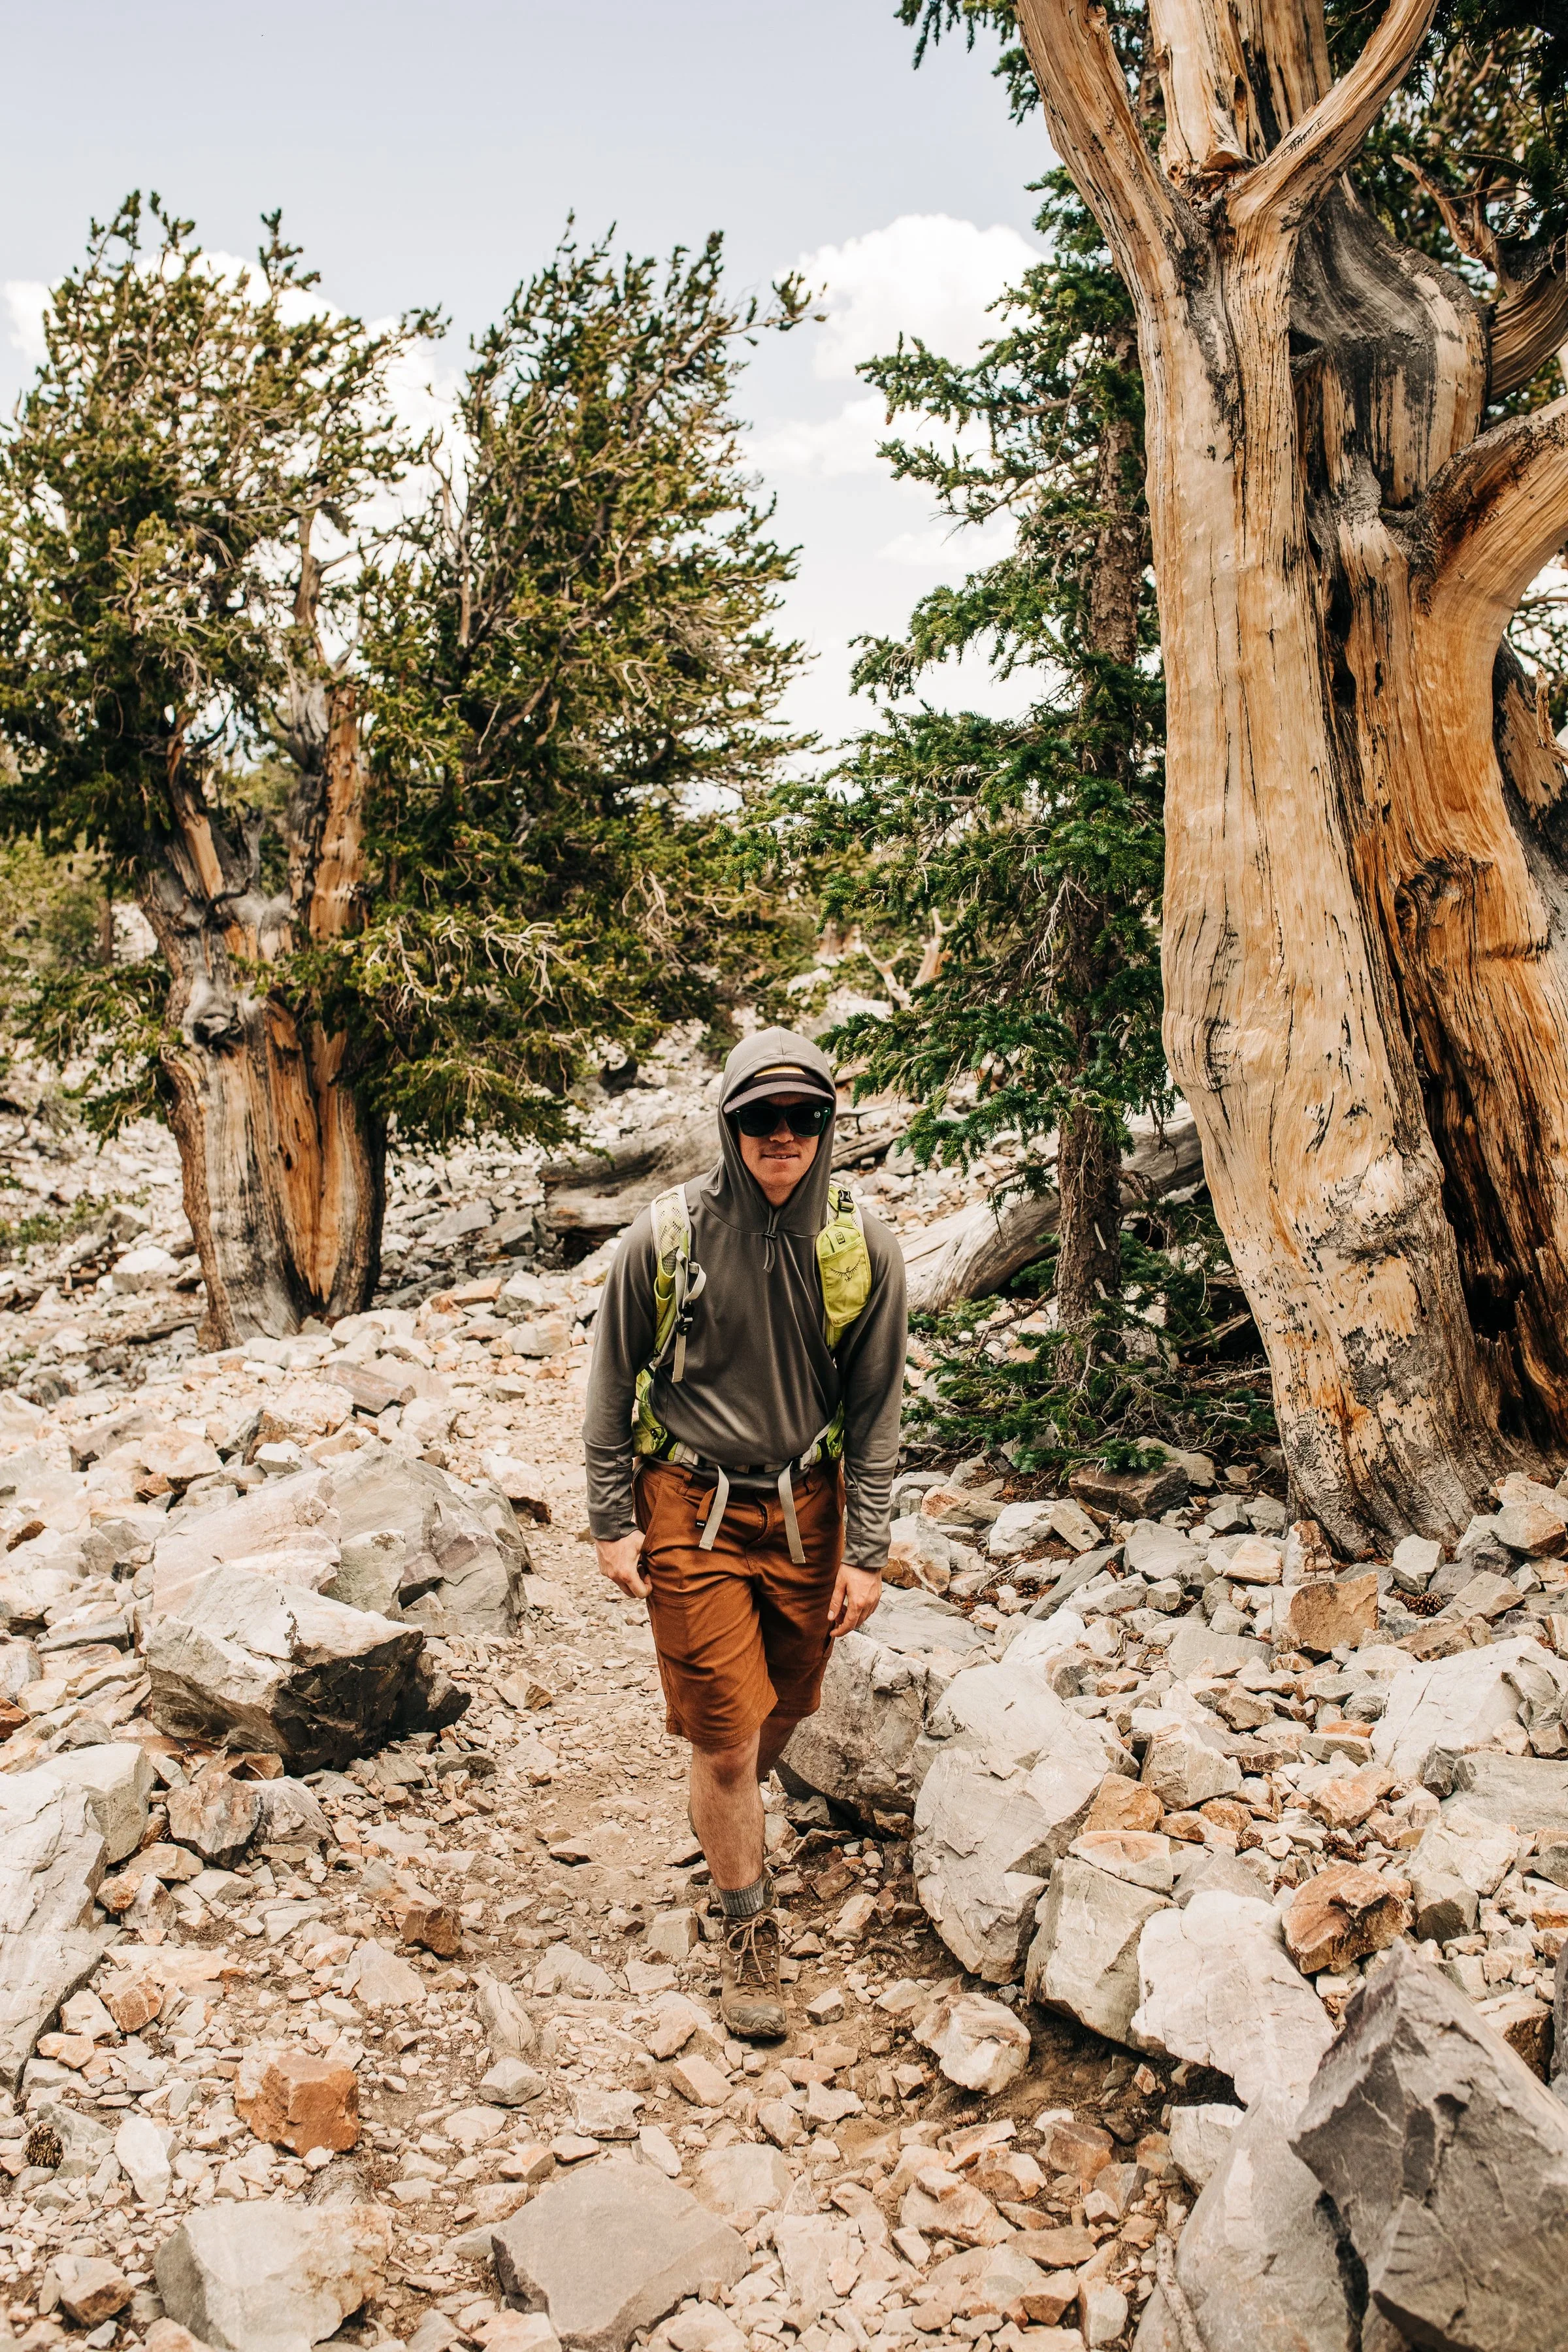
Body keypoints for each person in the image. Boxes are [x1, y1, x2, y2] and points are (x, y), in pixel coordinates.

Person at [583, 1027, 907, 2036]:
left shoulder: (863, 1246)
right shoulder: (664, 1239)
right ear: (728, 1125)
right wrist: (608, 1522)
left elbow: (878, 1406)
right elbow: (608, 1380)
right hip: (689, 1504)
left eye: (803, 1117)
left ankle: (722, 1803)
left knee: (781, 1715)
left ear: (826, 1125)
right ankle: (747, 1929)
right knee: (729, 1743)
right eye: (760, 1118)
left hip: (810, 1513)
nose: (783, 1136)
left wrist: (868, 1547)